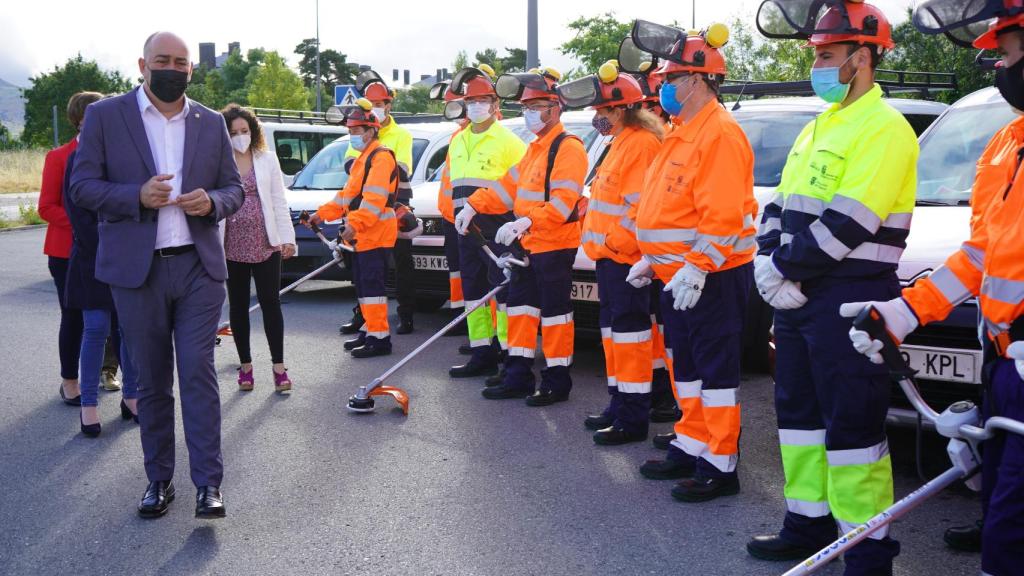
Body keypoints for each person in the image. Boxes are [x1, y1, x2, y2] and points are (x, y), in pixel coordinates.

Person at [842, 1, 1024, 573]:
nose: (1001, 68)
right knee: (1001, 499)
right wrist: (904, 313)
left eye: (1010, 54)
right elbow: (978, 256)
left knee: (1009, 531)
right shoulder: (1005, 144)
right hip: (1004, 362)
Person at [744, 3, 916, 573]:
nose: (817, 65)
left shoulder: (885, 127)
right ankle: (807, 524)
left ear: (861, 58)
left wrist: (783, 269)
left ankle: (866, 551)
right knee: (797, 417)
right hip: (800, 295)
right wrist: (769, 259)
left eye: (826, 55)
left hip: (850, 296)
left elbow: (850, 222)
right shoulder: (820, 125)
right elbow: (779, 204)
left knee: (853, 429)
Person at [70, 31, 243, 519]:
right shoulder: (106, 116)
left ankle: (209, 484)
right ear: (142, 65)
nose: (172, 68)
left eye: (181, 62)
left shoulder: (211, 123)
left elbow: (234, 189)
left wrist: (212, 201)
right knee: (150, 381)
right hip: (136, 271)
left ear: (192, 70)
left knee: (197, 372)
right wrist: (134, 196)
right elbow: (81, 185)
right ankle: (158, 479)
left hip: (197, 267)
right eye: (162, 60)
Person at [627, 23, 757, 503]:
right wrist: (650, 256)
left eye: (671, 78)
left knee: (715, 371)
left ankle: (720, 464)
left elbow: (722, 215)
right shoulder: (683, 132)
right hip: (677, 275)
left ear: (698, 80)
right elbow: (670, 210)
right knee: (686, 367)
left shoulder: (718, 134)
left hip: (712, 276)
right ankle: (692, 441)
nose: (663, 87)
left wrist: (699, 265)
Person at [456, 67, 587, 406]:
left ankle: (557, 381)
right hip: (529, 245)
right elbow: (505, 187)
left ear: (555, 108)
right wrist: (472, 205)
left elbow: (562, 205)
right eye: (527, 107)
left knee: (556, 315)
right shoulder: (536, 148)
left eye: (536, 106)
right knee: (520, 310)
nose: (529, 113)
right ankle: (518, 375)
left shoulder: (567, 147)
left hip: (555, 245)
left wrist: (522, 223)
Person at [561, 62, 663, 445]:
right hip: (610, 258)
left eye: (602, 111)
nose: (596, 118)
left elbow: (641, 211)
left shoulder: (639, 145)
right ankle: (619, 403)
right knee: (616, 336)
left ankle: (633, 417)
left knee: (631, 338)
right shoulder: (620, 142)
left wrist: (613, 245)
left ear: (620, 110)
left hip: (625, 259)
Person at [62, 92, 140, 435]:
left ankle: (132, 397)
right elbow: (78, 213)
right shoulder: (77, 158)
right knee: (95, 330)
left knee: (128, 331)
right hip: (92, 259)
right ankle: (89, 405)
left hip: (124, 258)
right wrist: (110, 243)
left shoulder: (123, 156)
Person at [445, 67, 527, 380]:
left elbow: (521, 187)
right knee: (473, 290)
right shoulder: (458, 140)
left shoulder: (508, 141)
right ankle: (482, 352)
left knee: (502, 290)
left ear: (495, 104)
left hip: (497, 224)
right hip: (464, 225)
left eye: (483, 100)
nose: (477, 105)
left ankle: (509, 353)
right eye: (472, 100)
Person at [308, 98, 398, 358]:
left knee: (372, 289)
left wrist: (354, 225)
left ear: (371, 131)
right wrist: (320, 215)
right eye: (350, 131)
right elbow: (345, 198)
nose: (352, 136)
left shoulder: (380, 158)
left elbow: (374, 200)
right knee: (364, 288)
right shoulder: (363, 159)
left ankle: (380, 339)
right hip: (363, 235)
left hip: (375, 234)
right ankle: (370, 332)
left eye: (356, 131)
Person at [220, 104, 296, 394]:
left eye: (244, 131)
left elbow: (278, 200)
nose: (240, 136)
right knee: (238, 307)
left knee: (270, 304)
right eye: (233, 133)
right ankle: (246, 368)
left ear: (253, 131)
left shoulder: (267, 159)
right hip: (231, 244)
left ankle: (279, 368)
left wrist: (287, 238)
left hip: (266, 242)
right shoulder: (218, 161)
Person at [339, 73, 416, 335]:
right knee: (363, 269)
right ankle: (364, 318)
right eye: (371, 104)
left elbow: (403, 168)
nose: (376, 108)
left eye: (380, 104)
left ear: (389, 105)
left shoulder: (402, 135)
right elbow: (350, 164)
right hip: (365, 208)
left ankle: (405, 315)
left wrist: (374, 167)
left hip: (394, 205)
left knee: (401, 262)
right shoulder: (359, 131)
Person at [39, 92, 96, 405]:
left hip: (103, 250)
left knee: (108, 320)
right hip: (66, 253)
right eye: (92, 115)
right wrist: (82, 224)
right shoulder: (59, 157)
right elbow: (46, 207)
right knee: (74, 317)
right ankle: (69, 381)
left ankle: (107, 375)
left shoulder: (110, 154)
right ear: (79, 120)